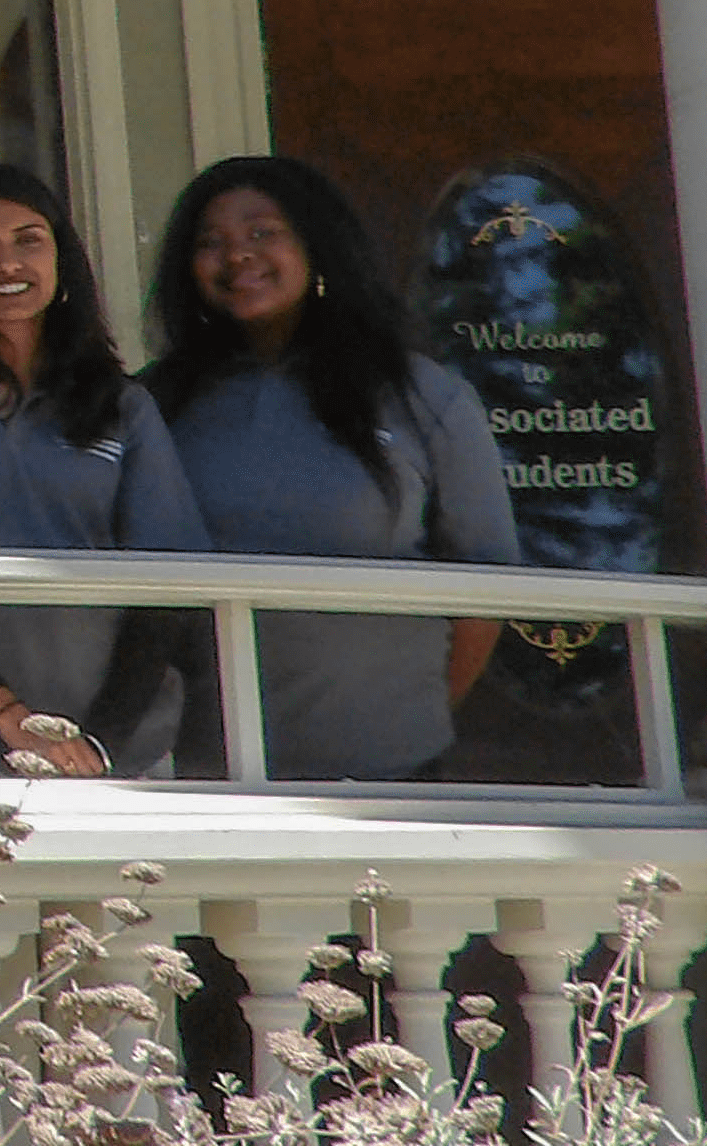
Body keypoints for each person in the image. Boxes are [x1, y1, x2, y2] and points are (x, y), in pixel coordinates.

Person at [144, 155, 520, 783]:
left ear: (317, 244)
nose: (237, 256)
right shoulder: (154, 406)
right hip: (208, 777)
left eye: (262, 232)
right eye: (210, 243)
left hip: (393, 776)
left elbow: (487, 596)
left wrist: (402, 719)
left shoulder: (424, 397)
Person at [0, 164, 211, 779]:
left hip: (118, 743)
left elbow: (171, 590)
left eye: (29, 240)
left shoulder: (122, 404)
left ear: (62, 261)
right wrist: (5, 713)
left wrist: (99, 742)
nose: (8, 265)